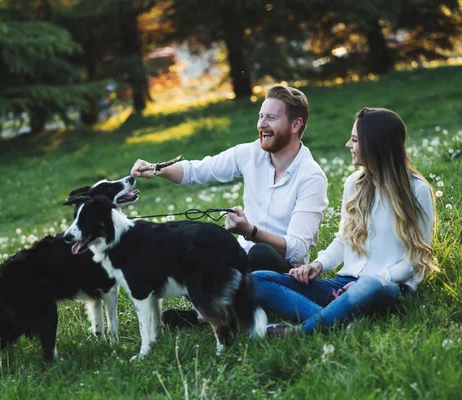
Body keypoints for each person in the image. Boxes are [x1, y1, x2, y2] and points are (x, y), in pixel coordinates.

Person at [131, 85, 329, 326]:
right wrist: (157, 169)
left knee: (259, 252)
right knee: (195, 247)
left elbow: (296, 250)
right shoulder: (250, 154)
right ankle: (214, 309)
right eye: (260, 117)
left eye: (271, 118)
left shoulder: (311, 177)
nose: (262, 125)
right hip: (240, 259)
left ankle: (211, 310)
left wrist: (250, 232)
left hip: (280, 270)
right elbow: (198, 170)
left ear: (296, 125)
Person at [252, 107, 438, 336]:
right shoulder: (354, 183)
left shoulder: (417, 191)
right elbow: (344, 239)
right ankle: (339, 319)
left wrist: (376, 279)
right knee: (257, 280)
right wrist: (317, 265)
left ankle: (301, 332)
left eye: (355, 140)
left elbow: (415, 259)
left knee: (367, 285)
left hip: (387, 287)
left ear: (374, 145)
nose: (348, 145)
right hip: (342, 285)